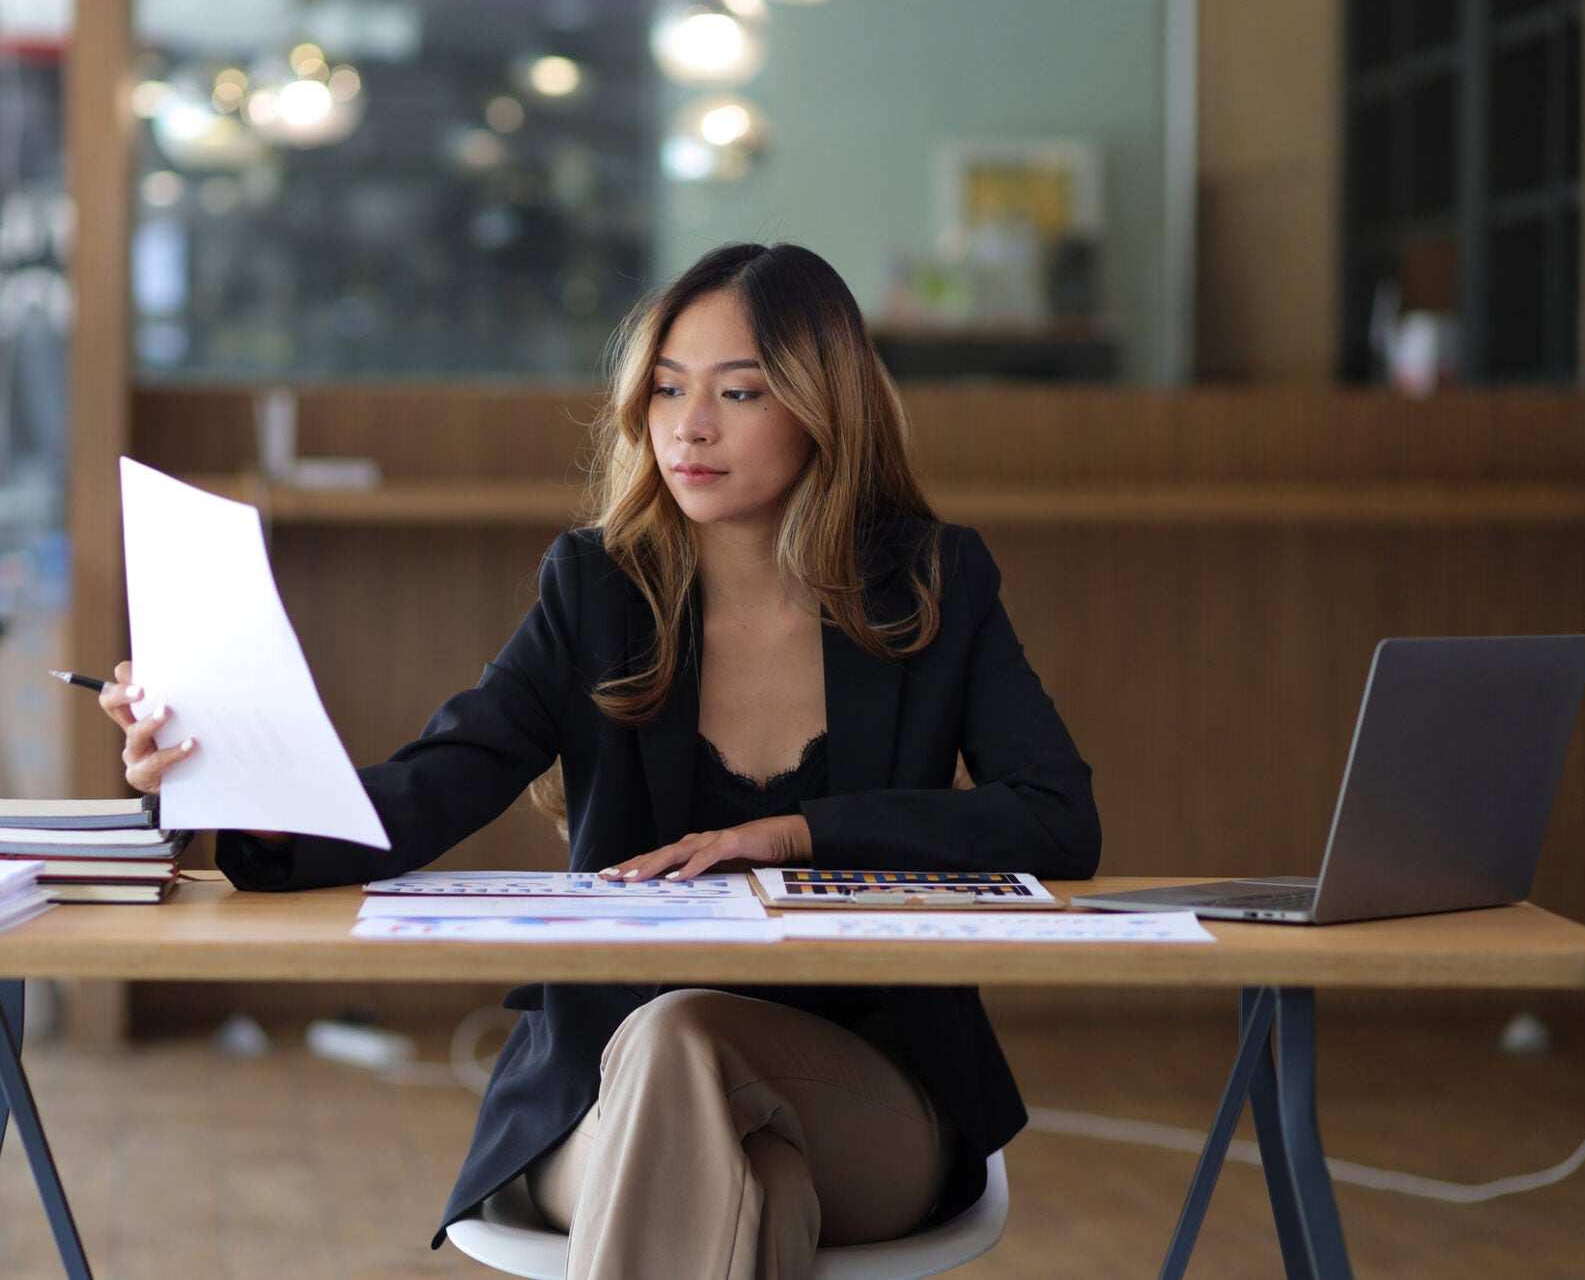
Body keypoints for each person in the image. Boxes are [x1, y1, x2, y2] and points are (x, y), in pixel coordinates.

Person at [101, 242, 1100, 1280]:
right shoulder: (597, 591)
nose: (687, 425)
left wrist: (797, 834)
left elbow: (1054, 818)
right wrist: (232, 780)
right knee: (756, 1187)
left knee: (691, 1046)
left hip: (869, 1090)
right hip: (603, 1095)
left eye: (737, 391)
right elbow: (439, 780)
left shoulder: (933, 586)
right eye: (665, 388)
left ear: (822, 407)